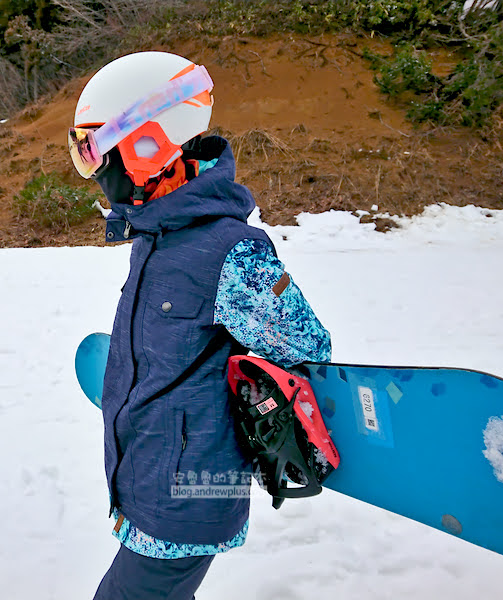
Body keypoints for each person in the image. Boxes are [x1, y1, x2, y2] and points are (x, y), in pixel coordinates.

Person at [68, 51, 332, 600]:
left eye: (92, 149)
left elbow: (307, 346)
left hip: (188, 498)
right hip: (146, 483)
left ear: (148, 143)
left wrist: (256, 392)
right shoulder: (156, 238)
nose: (92, 171)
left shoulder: (230, 250)